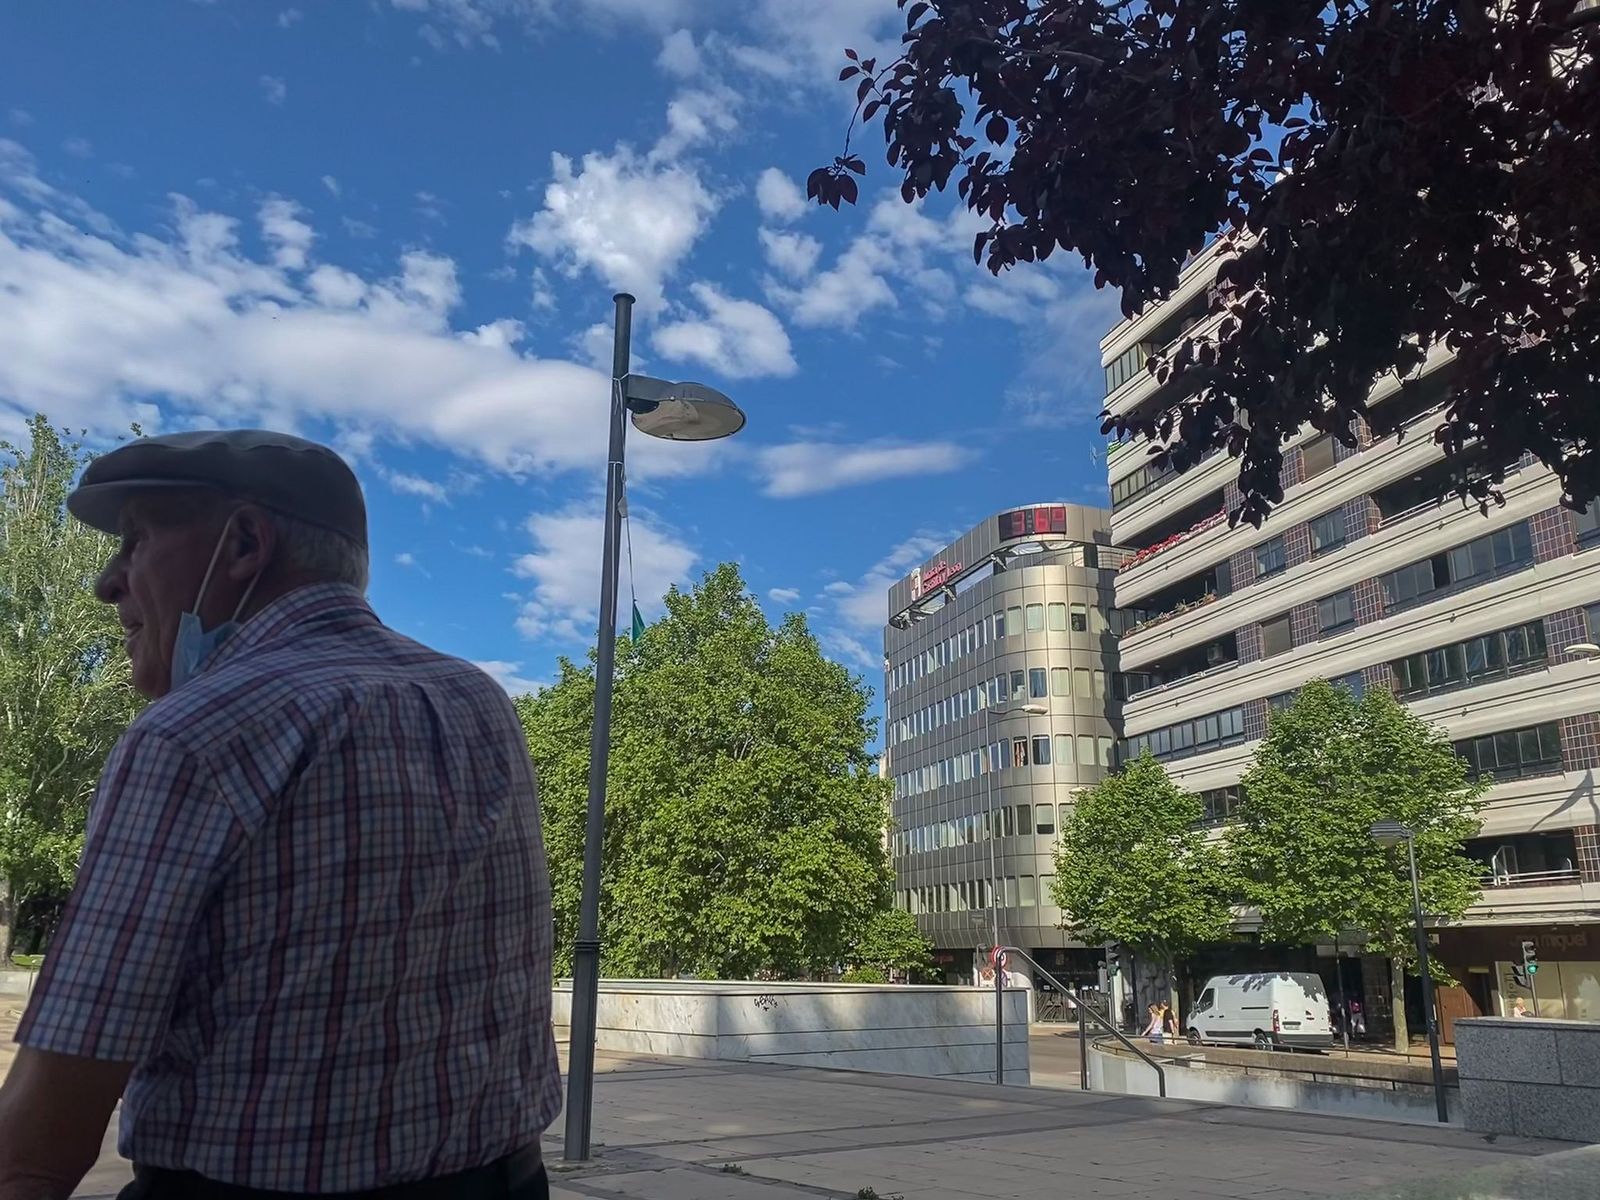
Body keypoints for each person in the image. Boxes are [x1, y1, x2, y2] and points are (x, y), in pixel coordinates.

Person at [0, 431, 560, 1199]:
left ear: (244, 544)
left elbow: (39, 1141)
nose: (107, 582)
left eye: (135, 541)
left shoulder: (191, 734)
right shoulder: (478, 700)